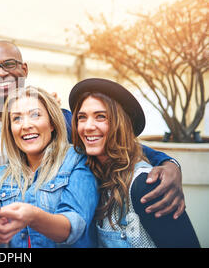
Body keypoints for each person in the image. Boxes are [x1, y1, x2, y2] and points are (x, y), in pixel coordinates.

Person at [0, 41, 184, 248]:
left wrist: (168, 163)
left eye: (10, 64)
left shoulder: (69, 134)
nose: (2, 73)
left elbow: (115, 143)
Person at [69, 78, 200, 248]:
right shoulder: (90, 174)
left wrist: (172, 163)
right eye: (82, 117)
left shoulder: (146, 185)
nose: (88, 126)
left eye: (100, 117)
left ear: (120, 124)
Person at [0, 86, 98, 248]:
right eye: (17, 118)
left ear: (52, 123)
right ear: (10, 129)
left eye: (35, 115)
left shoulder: (77, 160)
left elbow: (73, 227)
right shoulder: (0, 175)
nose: (26, 125)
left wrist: (33, 216)